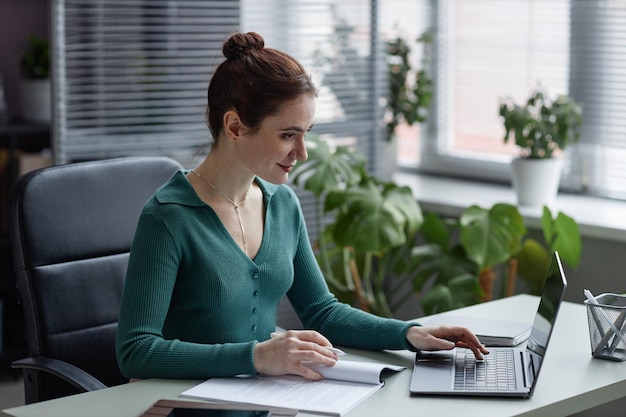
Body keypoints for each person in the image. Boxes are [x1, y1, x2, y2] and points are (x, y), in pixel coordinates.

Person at [115, 31, 489, 382]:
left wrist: (410, 333)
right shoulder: (168, 218)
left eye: (305, 134)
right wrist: (257, 357)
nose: (302, 153)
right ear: (234, 127)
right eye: (287, 135)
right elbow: (136, 351)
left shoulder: (282, 205)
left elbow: (321, 311)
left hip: (266, 400)